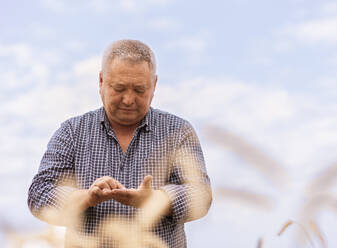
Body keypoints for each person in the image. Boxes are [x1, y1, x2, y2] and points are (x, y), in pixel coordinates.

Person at [28, 39, 212, 248]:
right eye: (119, 88)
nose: (128, 99)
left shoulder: (178, 132)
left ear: (154, 85)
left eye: (140, 90)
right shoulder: (72, 132)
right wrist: (87, 197)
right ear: (101, 81)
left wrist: (157, 200)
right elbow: (39, 194)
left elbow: (201, 196)